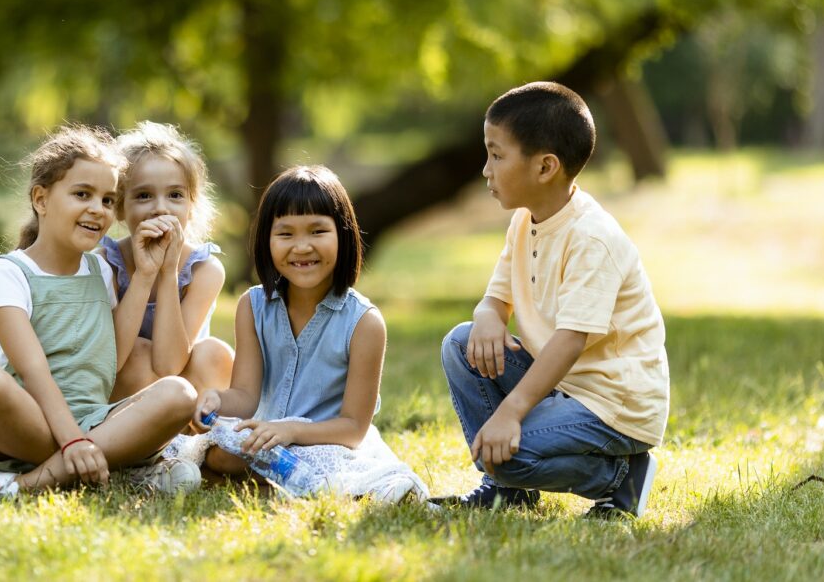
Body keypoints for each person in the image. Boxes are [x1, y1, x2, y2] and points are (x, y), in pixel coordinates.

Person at [431, 82, 670, 518]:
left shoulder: (591, 238)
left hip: (612, 403)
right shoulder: (527, 220)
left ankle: (623, 479)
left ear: (545, 168)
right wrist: (487, 315)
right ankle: (509, 492)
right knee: (460, 343)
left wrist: (511, 413)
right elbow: (495, 298)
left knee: (500, 453)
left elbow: (570, 340)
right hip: (562, 387)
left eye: (497, 155)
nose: (486, 169)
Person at [0, 124, 201, 497]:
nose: (97, 209)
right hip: (27, 424)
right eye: (82, 194)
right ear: (41, 199)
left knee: (180, 394)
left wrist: (146, 275)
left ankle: (24, 485)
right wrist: (73, 442)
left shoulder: (100, 271)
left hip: (93, 422)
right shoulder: (8, 274)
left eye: (108, 200)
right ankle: (117, 465)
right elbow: (34, 370)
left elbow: (112, 361)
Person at [193, 165, 416, 496]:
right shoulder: (252, 306)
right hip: (265, 441)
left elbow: (353, 429)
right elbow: (245, 396)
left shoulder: (364, 322)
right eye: (285, 234)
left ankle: (285, 488)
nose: (301, 247)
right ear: (266, 240)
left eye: (317, 231)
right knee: (220, 456)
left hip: (327, 442)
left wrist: (291, 431)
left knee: (343, 474)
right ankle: (278, 487)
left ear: (343, 234)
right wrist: (217, 398)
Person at [100, 122, 233, 402]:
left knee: (214, 353)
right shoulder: (106, 263)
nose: (161, 208)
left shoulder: (205, 270)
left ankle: (190, 431)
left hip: (183, 381)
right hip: (127, 384)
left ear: (191, 206)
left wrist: (169, 272)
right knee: (138, 351)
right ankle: (144, 432)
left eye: (175, 195)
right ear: (121, 207)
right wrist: (144, 275)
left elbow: (169, 365)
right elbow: (109, 362)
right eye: (144, 195)